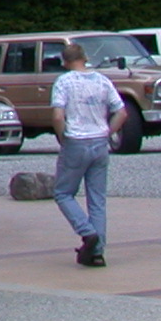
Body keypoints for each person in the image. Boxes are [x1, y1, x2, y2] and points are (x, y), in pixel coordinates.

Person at [52, 41, 128, 267]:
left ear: (65, 62)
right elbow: (121, 112)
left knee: (63, 193)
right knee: (97, 199)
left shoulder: (64, 81)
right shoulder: (102, 81)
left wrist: (62, 137)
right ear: (85, 58)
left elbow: (57, 116)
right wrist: (108, 132)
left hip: (76, 141)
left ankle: (87, 232)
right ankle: (97, 253)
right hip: (99, 141)